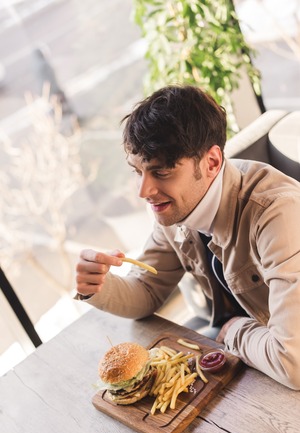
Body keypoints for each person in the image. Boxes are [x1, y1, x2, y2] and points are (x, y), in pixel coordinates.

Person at [75, 84, 300, 390]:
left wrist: (233, 331)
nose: (144, 192)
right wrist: (98, 286)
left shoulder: (278, 213)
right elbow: (147, 290)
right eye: (137, 172)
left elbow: (292, 362)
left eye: (161, 173)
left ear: (211, 162)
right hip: (251, 358)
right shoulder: (175, 211)